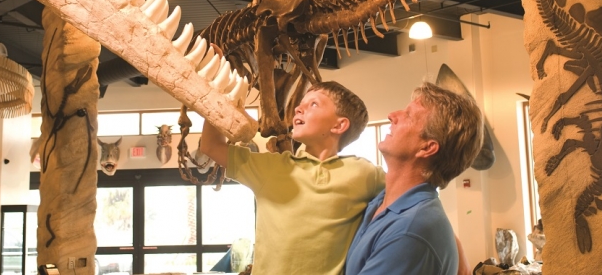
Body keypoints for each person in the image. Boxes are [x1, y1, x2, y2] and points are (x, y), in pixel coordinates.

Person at [200, 80, 385, 275]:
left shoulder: (365, 173)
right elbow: (211, 146)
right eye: (301, 104)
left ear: (339, 125)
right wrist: (217, 93)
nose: (298, 108)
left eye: (313, 104)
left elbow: (411, 194)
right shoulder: (271, 167)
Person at [345, 82, 483, 275]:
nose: (392, 115)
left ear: (427, 148)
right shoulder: (382, 202)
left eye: (408, 115)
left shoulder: (408, 233)